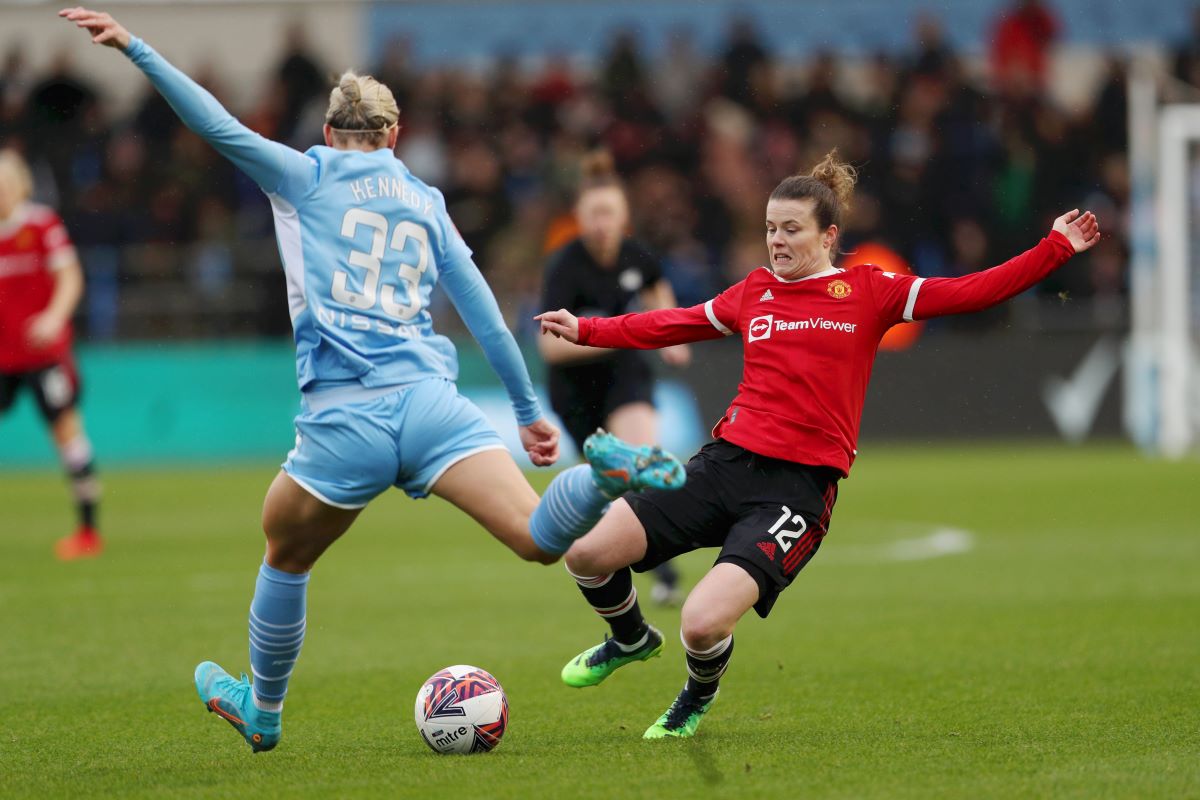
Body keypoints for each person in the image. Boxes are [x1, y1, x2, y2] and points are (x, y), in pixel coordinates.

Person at [60, 7, 685, 753]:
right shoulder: (425, 200)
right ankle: (605, 478)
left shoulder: (303, 173)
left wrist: (135, 47)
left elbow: (218, 126)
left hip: (345, 417)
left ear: (328, 133)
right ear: (394, 135)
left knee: (285, 551)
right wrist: (524, 410)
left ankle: (263, 711)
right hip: (431, 404)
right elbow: (484, 312)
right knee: (535, 536)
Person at [537, 150, 1100, 739]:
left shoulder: (870, 291)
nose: (775, 242)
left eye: (790, 230)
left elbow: (974, 291)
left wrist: (1054, 247)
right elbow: (672, 321)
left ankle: (696, 695)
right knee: (587, 555)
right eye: (769, 230)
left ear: (828, 235)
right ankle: (629, 639)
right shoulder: (753, 291)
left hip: (794, 491)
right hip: (722, 464)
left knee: (701, 625)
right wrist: (588, 328)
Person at [539, 150, 691, 605]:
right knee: (613, 485)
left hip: (626, 376)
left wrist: (672, 335)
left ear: (623, 216)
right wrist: (617, 333)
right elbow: (549, 346)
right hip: (575, 389)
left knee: (643, 463)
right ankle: (649, 567)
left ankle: (664, 570)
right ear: (580, 219)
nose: (602, 223)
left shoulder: (638, 255)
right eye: (594, 214)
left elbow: (658, 290)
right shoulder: (564, 266)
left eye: (610, 213)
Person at [0, 147, 102, 560]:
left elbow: (70, 277)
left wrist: (53, 318)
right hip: (3, 356)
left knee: (66, 432)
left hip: (44, 355)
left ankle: (88, 531)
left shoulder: (42, 225)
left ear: (22, 186)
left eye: (7, 184)